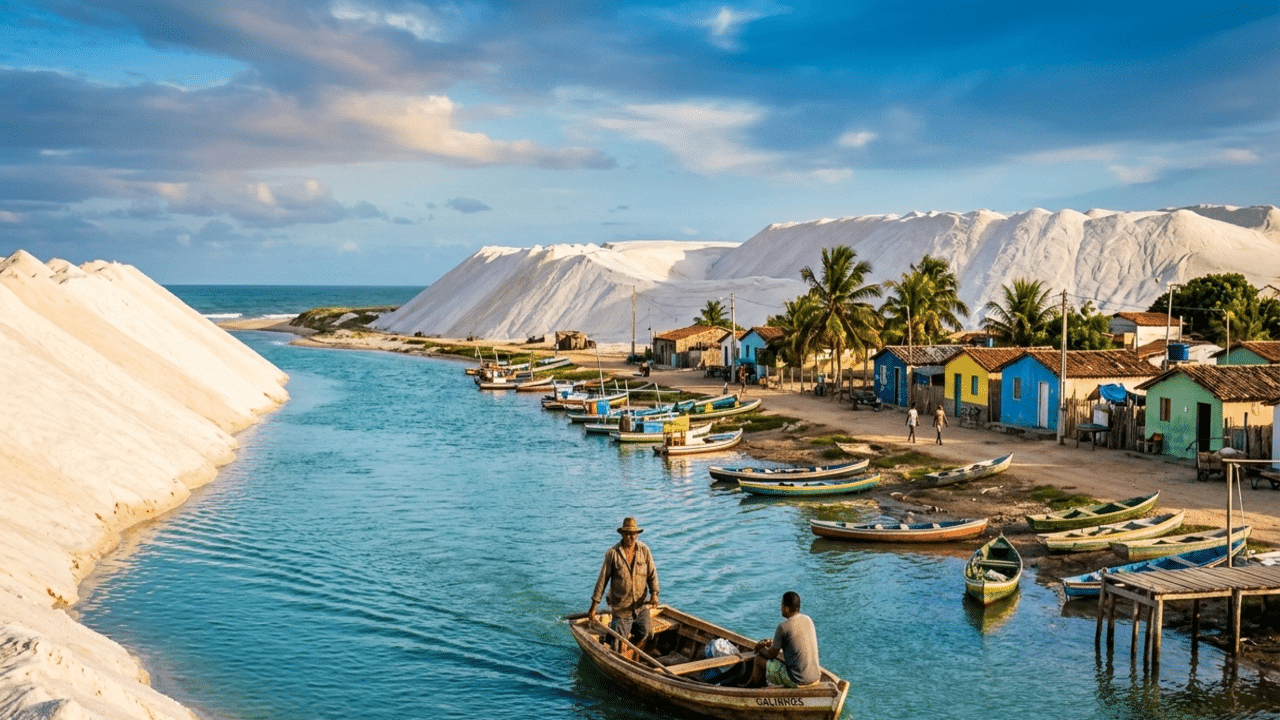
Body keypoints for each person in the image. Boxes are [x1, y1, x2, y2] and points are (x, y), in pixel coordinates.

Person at [588, 517, 660, 658]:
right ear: (622, 534)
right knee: (616, 644)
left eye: (633, 533)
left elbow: (652, 574)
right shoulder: (613, 554)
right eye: (627, 533)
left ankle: (630, 654)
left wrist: (654, 594)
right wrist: (593, 607)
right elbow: (602, 581)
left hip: (640, 606)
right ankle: (615, 640)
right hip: (621, 609)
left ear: (637, 534)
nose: (630, 536)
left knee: (647, 633)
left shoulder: (644, 551)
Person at [747, 591, 821, 688]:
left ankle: (756, 690)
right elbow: (791, 639)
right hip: (816, 677)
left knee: (758, 659)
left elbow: (771, 655)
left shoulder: (783, 627)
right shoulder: (808, 619)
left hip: (797, 681)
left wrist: (760, 648)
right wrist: (771, 643)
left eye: (782, 605)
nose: (781, 608)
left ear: (786, 608)